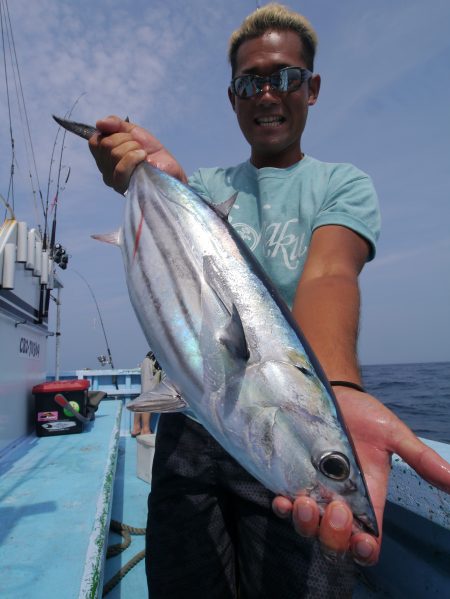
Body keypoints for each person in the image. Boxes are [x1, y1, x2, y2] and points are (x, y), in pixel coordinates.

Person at [88, 4, 450, 597]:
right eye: (250, 82)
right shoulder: (201, 189)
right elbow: (168, 230)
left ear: (312, 89)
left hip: (287, 430)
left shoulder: (340, 184)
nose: (267, 94)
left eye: (284, 77)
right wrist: (140, 172)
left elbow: (331, 275)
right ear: (233, 97)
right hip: (194, 422)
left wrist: (339, 391)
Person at [131, 351, 161, 436]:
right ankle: (145, 429)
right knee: (148, 397)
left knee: (144, 396)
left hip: (151, 362)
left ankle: (136, 427)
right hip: (153, 364)